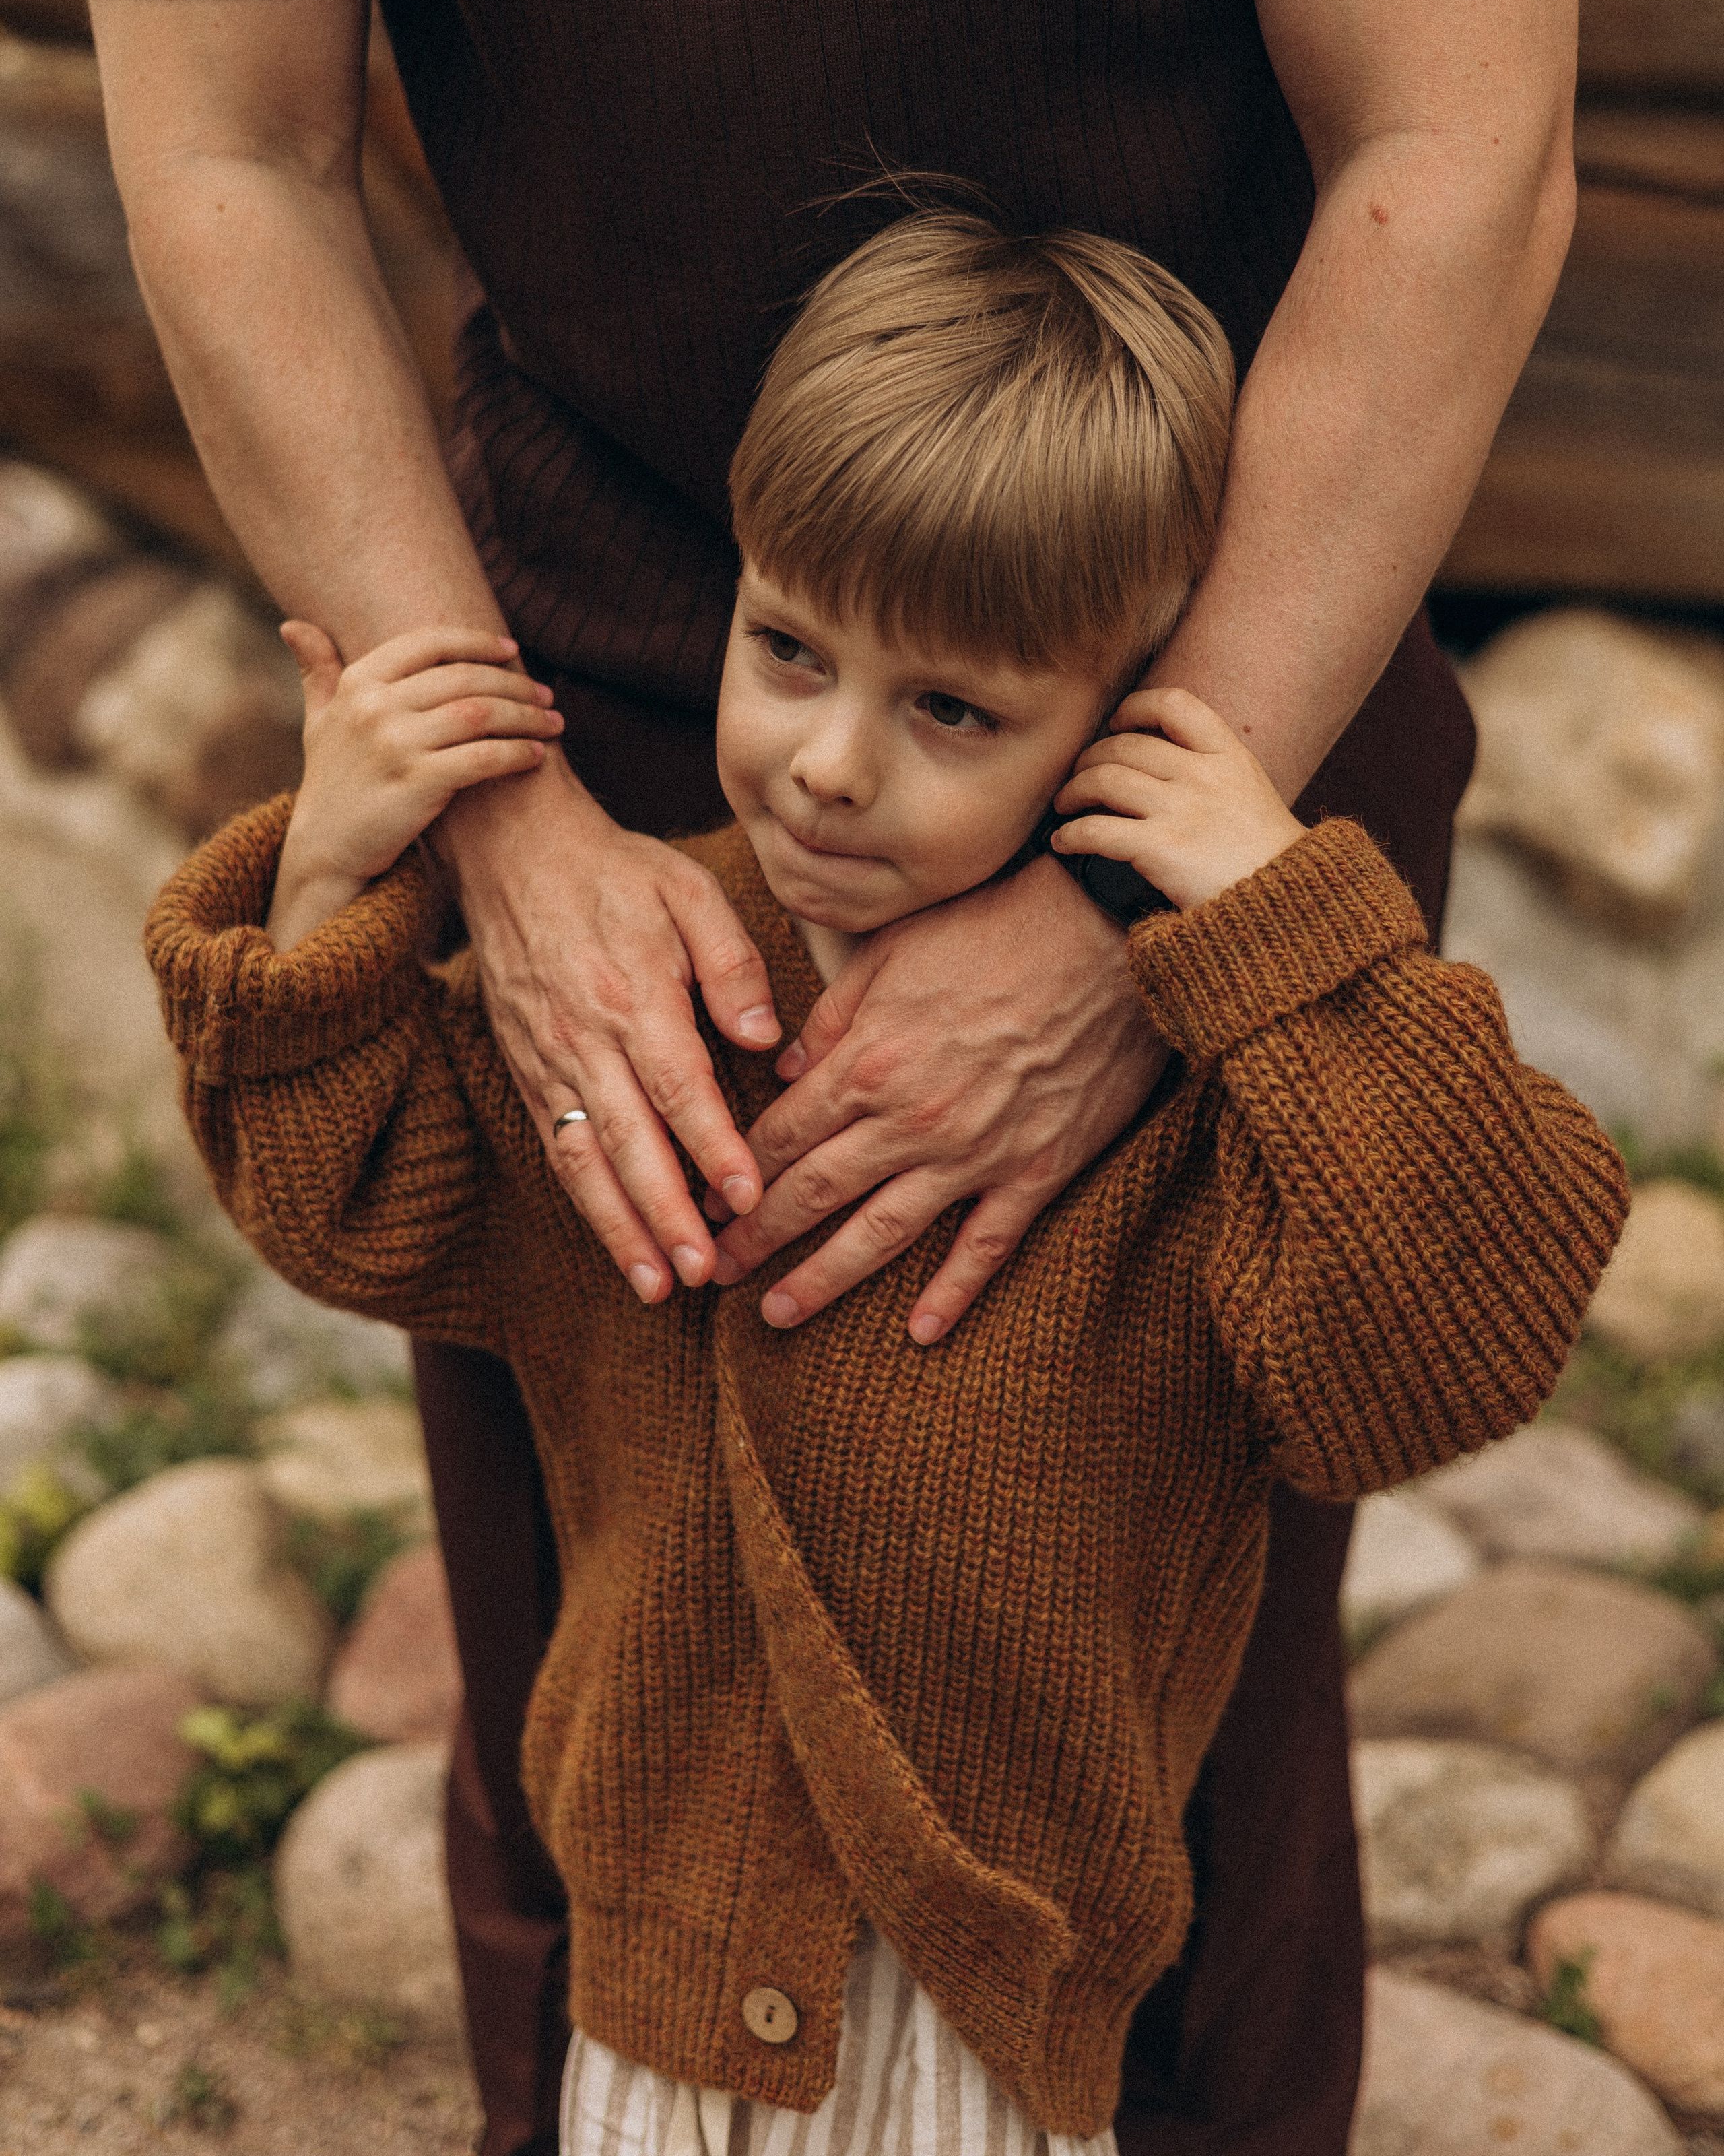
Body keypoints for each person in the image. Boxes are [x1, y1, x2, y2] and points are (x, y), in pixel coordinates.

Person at [58, 0, 1603, 2142]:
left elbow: (1460, 139)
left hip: (1203, 691)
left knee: (1201, 1805)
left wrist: (1152, 896)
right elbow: (225, 146)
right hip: (572, 706)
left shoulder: (1235, 938)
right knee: (576, 1721)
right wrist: (477, 837)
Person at [145, 206, 1625, 2156]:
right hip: (661, 1976)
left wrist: (1278, 926)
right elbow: (360, 1199)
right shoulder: (649, 984)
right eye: (786, 649)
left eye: (953, 711)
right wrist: (332, 881)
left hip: (985, 2018)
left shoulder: (1198, 1096)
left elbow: (1435, 1357)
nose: (830, 765)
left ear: (1120, 724)